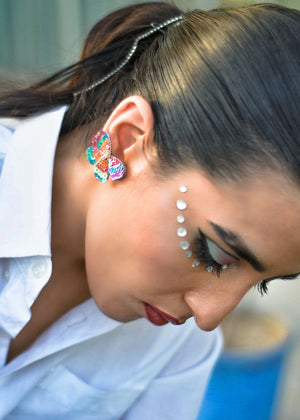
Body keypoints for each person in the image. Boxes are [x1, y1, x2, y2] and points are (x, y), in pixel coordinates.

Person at [0, 1, 299, 418]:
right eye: (213, 253)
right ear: (127, 139)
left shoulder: (179, 349)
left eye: (260, 283)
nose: (209, 317)